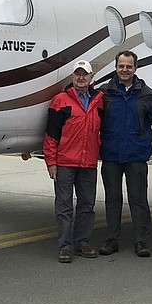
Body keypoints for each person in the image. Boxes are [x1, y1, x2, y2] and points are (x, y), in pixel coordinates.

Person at [96, 50, 152, 258]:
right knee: (112, 199)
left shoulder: (145, 93)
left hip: (136, 155)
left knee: (138, 199)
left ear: (135, 68)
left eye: (128, 66)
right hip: (111, 156)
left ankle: (141, 241)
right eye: (121, 66)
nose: (124, 70)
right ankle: (112, 239)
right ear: (116, 68)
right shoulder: (105, 93)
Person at [44, 60, 104, 263]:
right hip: (65, 163)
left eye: (84, 74)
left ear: (91, 77)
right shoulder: (60, 101)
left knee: (87, 205)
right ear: (72, 77)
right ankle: (65, 247)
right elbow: (51, 135)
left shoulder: (99, 101)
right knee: (64, 206)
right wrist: (51, 162)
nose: (81, 78)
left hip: (88, 163)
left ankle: (82, 243)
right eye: (77, 74)